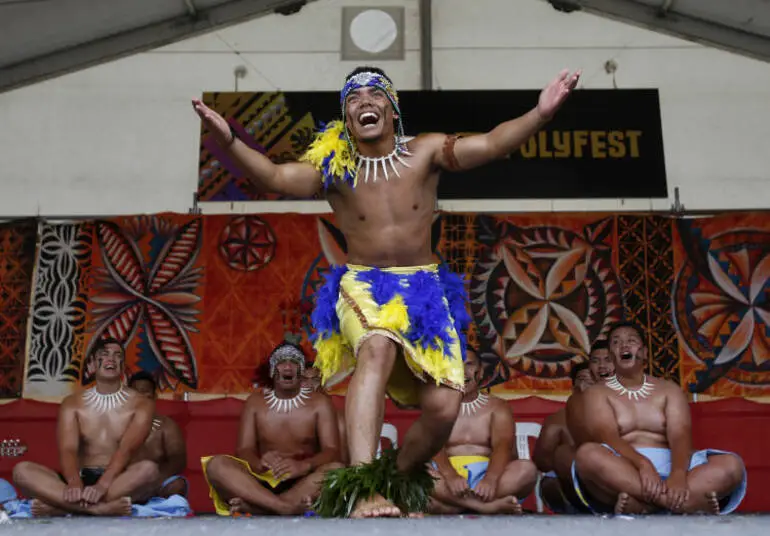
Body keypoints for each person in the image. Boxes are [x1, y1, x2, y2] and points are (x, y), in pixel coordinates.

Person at [193, 65, 580, 517]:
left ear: (392, 109)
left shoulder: (427, 152)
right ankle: (361, 488)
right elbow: (276, 179)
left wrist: (540, 114)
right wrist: (229, 141)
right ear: (346, 117)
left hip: (425, 288)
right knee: (375, 349)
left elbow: (492, 143)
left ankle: (391, 480)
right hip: (364, 284)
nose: (364, 103)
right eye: (353, 100)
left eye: (374, 95)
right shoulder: (334, 167)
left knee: (443, 404)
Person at [570, 322, 747, 515]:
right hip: (625, 467)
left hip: (674, 464)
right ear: (612, 355)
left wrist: (678, 475)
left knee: (731, 465)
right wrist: (643, 464)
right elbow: (608, 436)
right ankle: (684, 505)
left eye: (631, 341)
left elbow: (679, 434)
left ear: (645, 353)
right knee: (587, 455)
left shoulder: (669, 390)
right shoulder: (596, 393)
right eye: (616, 342)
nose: (624, 346)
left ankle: (645, 507)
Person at [13, 338, 156, 517]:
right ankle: (100, 510)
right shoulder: (72, 403)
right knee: (22, 471)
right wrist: (74, 482)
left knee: (149, 470)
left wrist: (102, 485)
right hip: (80, 480)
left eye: (117, 355)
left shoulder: (142, 403)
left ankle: (61, 507)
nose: (111, 359)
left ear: (122, 365)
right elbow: (68, 449)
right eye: (104, 355)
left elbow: (126, 449)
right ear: (93, 363)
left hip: (118, 480)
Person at [201, 343, 342, 516]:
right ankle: (285, 508)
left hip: (303, 481)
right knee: (217, 465)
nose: (288, 366)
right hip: (262, 480)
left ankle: (261, 508)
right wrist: (259, 463)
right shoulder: (254, 403)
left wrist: (303, 465)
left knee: (336, 470)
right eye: (281, 362)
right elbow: (244, 450)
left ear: (301, 371)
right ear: (272, 371)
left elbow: (332, 451)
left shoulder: (320, 403)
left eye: (294, 362)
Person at [429, 347, 537, 515]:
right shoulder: (437, 405)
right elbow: (433, 446)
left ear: (480, 373)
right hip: (445, 478)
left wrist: (491, 480)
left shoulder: (498, 406)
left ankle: (450, 506)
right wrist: (450, 476)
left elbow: (503, 445)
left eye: (469, 365)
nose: (462, 371)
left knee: (527, 470)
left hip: (486, 475)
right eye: (455, 364)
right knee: (415, 471)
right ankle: (483, 507)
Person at [533, 358, 599, 514]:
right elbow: (542, 463)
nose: (586, 386)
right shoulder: (558, 419)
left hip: (608, 477)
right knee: (551, 483)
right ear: (573, 386)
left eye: (592, 380)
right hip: (567, 481)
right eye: (582, 380)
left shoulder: (620, 415)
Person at [127, 371, 188, 498]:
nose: (141, 396)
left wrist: (155, 481)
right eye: (136, 392)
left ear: (154, 396)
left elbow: (178, 460)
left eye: (145, 391)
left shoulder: (167, 425)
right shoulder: (118, 423)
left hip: (158, 482)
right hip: (127, 482)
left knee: (178, 485)